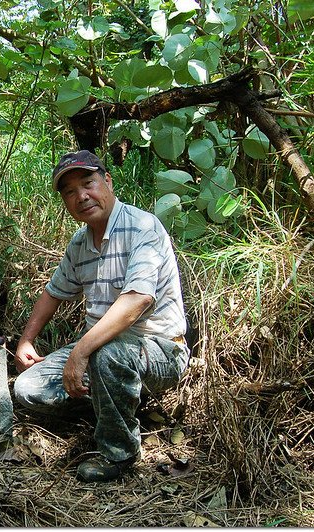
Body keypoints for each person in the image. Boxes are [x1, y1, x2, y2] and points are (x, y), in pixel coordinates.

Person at [12, 150, 190, 482]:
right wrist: (27, 339)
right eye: (69, 191)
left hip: (159, 349)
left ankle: (119, 453)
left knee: (107, 355)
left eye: (88, 183)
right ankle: (113, 403)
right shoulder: (80, 242)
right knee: (27, 388)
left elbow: (136, 301)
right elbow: (54, 292)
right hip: (101, 350)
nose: (81, 196)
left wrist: (80, 352)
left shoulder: (142, 227)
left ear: (107, 181)